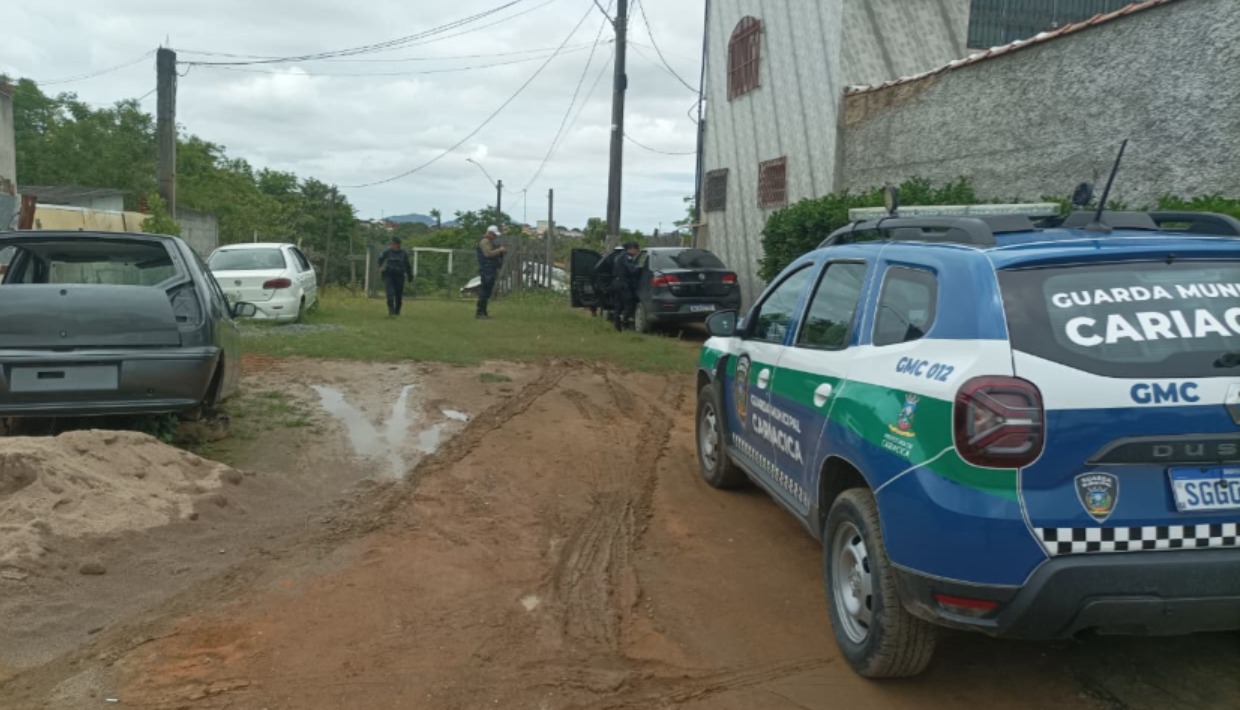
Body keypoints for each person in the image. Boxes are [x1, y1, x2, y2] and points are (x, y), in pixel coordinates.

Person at [476, 225, 507, 320]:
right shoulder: (484, 242)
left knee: (487, 291)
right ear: (489, 233)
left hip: (490, 269)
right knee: (485, 291)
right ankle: (480, 312)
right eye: (494, 235)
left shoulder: (489, 242)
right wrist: (499, 250)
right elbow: (488, 254)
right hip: (486, 269)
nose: (495, 237)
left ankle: (483, 312)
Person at [378, 237, 413, 316]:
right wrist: (381, 268)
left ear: (398, 245)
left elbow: (407, 265)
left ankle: (397, 311)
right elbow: (380, 260)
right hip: (389, 275)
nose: (392, 245)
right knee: (390, 294)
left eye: (393, 244)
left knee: (398, 295)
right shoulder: (387, 252)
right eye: (391, 244)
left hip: (399, 276)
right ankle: (391, 311)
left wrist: (410, 276)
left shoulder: (403, 253)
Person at [611, 240, 641, 331]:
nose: (637, 252)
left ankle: (617, 326)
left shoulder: (619, 256)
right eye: (636, 250)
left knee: (618, 304)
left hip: (616, 282)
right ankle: (625, 322)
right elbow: (631, 270)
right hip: (623, 284)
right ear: (631, 249)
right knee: (629, 303)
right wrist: (641, 269)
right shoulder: (626, 257)